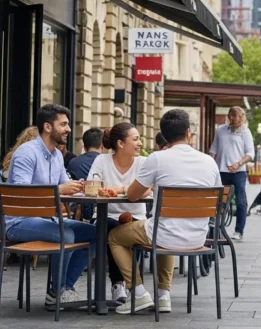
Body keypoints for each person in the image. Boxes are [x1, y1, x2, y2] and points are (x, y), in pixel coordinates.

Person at [108, 109, 221, 314]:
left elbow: (132, 195)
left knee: (115, 236)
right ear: (188, 133)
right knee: (163, 230)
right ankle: (163, 296)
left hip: (164, 234)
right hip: (198, 238)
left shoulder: (157, 158)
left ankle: (139, 292)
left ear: (165, 137)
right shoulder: (209, 161)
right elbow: (218, 200)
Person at [5, 104, 95, 306]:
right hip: (19, 222)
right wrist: (60, 189)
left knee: (96, 232)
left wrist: (80, 187)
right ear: (47, 127)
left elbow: (66, 186)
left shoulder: (56, 156)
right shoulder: (27, 153)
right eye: (63, 124)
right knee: (66, 234)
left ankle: (65, 288)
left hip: (48, 220)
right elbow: (20, 194)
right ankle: (56, 292)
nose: (68, 129)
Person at [88, 123, 149, 305]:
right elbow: (92, 186)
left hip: (136, 218)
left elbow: (147, 189)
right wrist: (124, 189)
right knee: (112, 227)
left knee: (123, 228)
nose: (140, 143)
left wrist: (119, 189)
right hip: (105, 216)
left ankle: (123, 285)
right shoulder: (102, 160)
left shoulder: (143, 163)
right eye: (136, 139)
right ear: (121, 143)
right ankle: (121, 284)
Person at [208, 106, 254, 241]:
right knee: (219, 201)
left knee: (240, 202)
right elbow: (214, 149)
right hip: (221, 171)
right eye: (231, 115)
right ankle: (217, 228)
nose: (232, 118)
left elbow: (250, 154)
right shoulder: (221, 130)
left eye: (236, 116)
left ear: (241, 117)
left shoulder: (245, 132)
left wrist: (238, 163)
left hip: (238, 172)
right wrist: (209, 165)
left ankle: (239, 230)